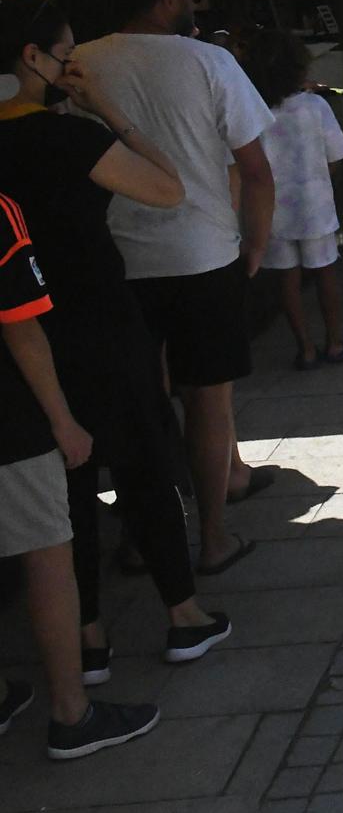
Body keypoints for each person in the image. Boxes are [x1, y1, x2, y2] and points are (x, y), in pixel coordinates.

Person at [0, 0, 233, 696]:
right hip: (101, 319)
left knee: (64, 489)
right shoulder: (70, 140)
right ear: (33, 60)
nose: (73, 66)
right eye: (66, 55)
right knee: (143, 465)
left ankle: (90, 635)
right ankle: (181, 611)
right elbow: (169, 189)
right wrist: (108, 111)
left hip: (29, 337)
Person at [72, 0, 274, 575]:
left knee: (141, 404)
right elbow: (256, 170)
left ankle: (144, 534)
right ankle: (211, 536)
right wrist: (256, 245)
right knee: (209, 401)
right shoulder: (208, 61)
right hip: (203, 252)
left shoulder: (80, 64)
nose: (196, 3)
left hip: (116, 257)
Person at [0, 201, 161, 761]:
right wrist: (63, 420)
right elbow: (21, 324)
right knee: (48, 560)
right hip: (10, 427)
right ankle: (73, 713)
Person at [244, 29, 343, 369]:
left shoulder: (253, 111)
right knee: (325, 273)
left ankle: (304, 347)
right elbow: (336, 157)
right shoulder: (315, 106)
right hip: (314, 204)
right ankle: (334, 341)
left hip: (271, 209)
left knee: (286, 281)